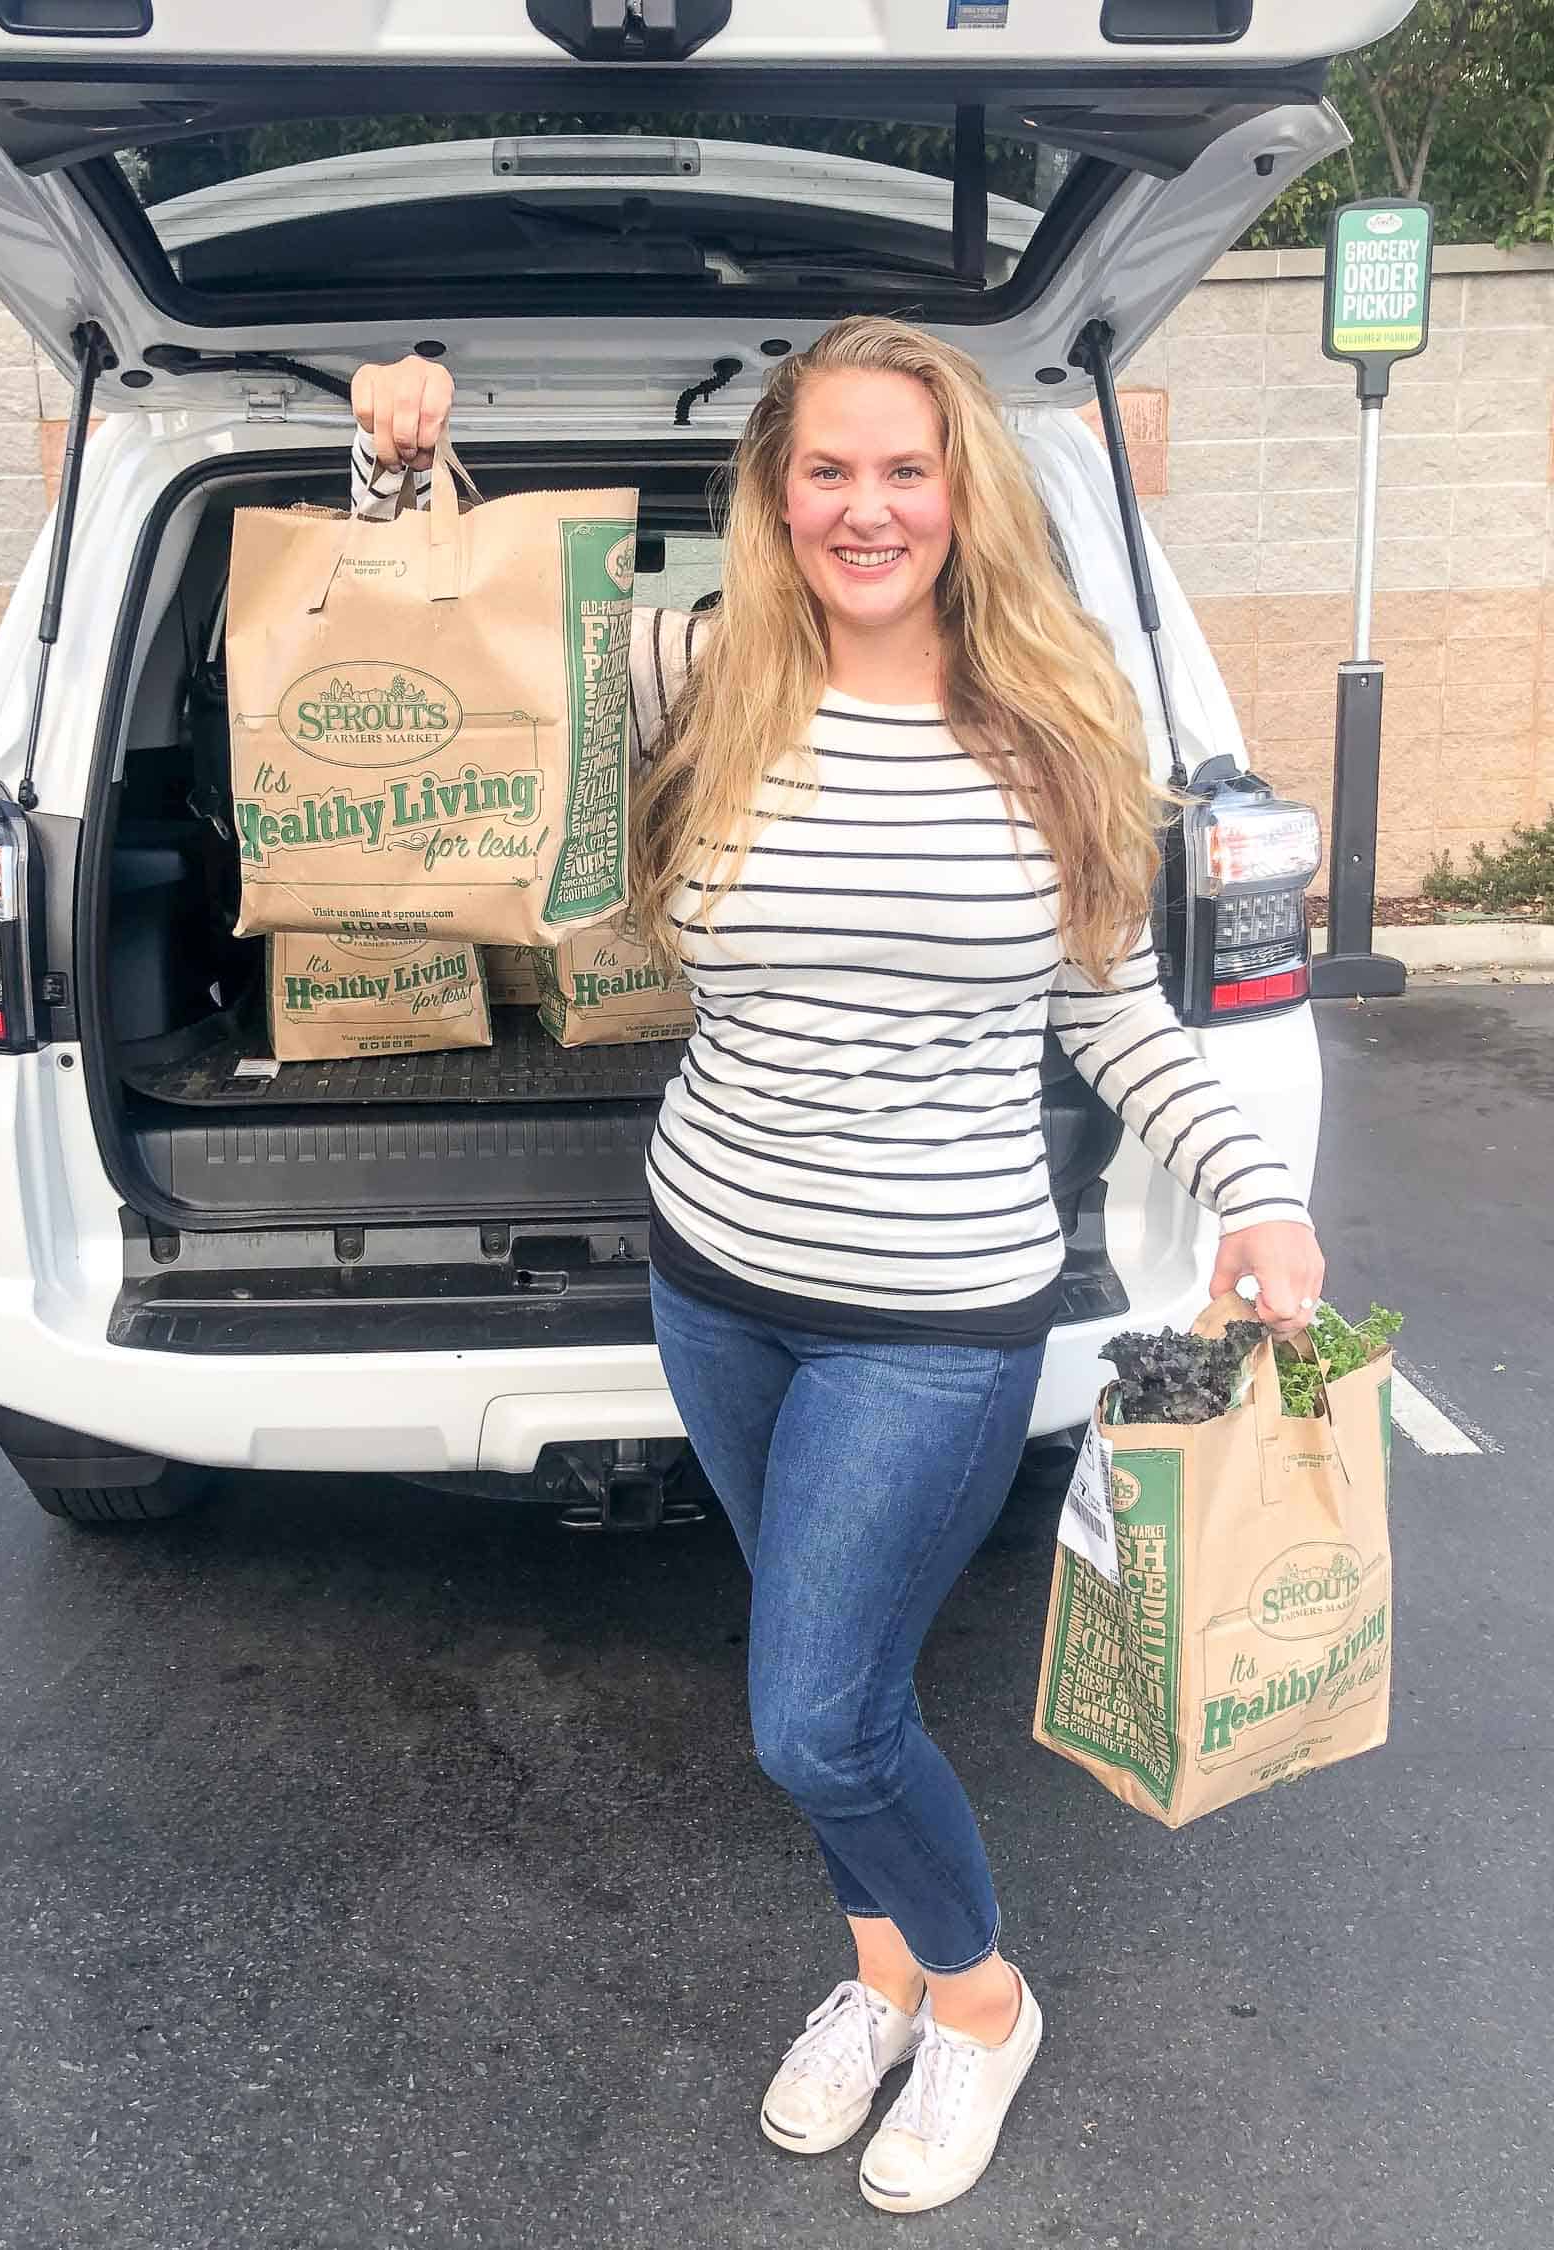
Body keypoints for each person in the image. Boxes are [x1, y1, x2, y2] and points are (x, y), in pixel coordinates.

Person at [348, 321, 1324, 2215]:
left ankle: (978, 1997)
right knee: (842, 1676)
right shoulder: (701, 670)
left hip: (937, 1313)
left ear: (965, 492)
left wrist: (1254, 1191)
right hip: (713, 1271)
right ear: (774, 495)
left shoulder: (1060, 720)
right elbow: (445, 652)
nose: (864, 506)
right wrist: (396, 462)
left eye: (905, 469)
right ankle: (882, 1971)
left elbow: (1119, 1018)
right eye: (826, 471)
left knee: (813, 1709)